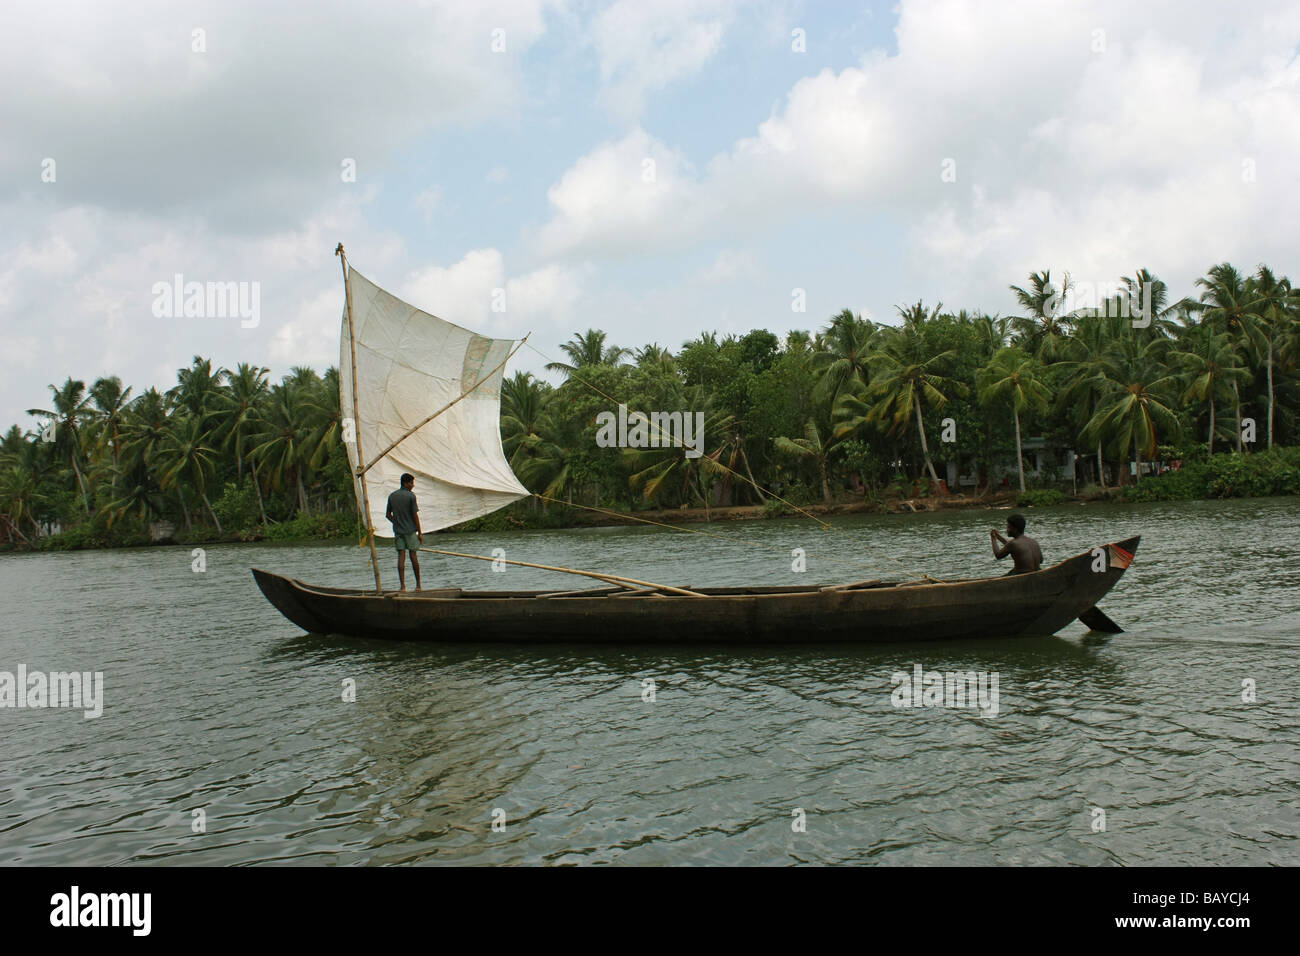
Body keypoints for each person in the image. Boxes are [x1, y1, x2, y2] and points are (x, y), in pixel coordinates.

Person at [385, 473, 422, 591]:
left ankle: (402, 587)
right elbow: (415, 516)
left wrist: (396, 523)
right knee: (413, 556)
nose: (413, 485)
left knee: (401, 556)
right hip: (410, 531)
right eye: (411, 483)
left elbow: (388, 515)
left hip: (398, 531)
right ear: (405, 483)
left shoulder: (392, 496)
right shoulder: (411, 496)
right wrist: (420, 533)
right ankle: (418, 585)